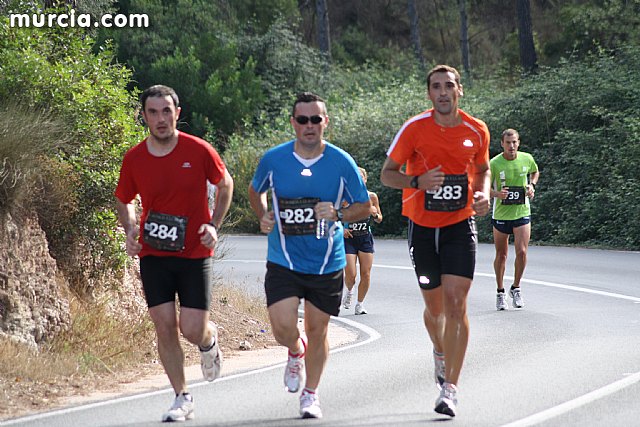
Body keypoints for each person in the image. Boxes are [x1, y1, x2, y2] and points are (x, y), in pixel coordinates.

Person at [248, 92, 371, 419]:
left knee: (318, 330)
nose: (309, 125)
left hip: (326, 261)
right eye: (302, 119)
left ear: (325, 122)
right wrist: (263, 215)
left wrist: (338, 213)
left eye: (315, 119)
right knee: (282, 328)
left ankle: (311, 394)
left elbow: (364, 206)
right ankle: (294, 350)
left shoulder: (340, 162)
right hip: (284, 259)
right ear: (293, 122)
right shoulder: (275, 159)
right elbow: (255, 189)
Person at [114, 85, 234, 422]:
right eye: (153, 112)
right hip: (154, 253)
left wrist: (214, 224)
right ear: (144, 116)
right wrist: (131, 229)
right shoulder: (135, 158)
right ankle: (182, 396)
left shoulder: (198, 150)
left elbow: (225, 184)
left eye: (166, 111)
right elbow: (124, 198)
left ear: (177, 113)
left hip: (194, 252)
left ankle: (208, 341)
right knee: (164, 326)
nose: (161, 119)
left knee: (191, 329)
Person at [380, 65, 490, 418]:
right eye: (436, 87)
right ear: (429, 93)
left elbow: (483, 169)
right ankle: (440, 351)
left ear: (460, 90)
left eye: (449, 86)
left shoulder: (476, 130)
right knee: (435, 310)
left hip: (460, 224)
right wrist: (417, 182)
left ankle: (450, 388)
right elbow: (387, 175)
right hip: (423, 227)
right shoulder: (414, 128)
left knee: (457, 303)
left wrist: (483, 193)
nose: (443, 92)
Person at [490, 128, 539, 310]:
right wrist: (497, 194)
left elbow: (535, 172)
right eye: (508, 143)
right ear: (502, 144)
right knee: (501, 255)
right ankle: (500, 292)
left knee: (522, 252)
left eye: (514, 142)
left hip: (522, 212)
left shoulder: (526, 158)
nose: (511, 146)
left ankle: (516, 288)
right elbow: (483, 186)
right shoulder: (494, 163)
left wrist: (531, 185)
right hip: (501, 215)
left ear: (519, 143)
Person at [342, 167, 383, 315]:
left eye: (361, 177)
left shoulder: (372, 197)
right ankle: (350, 290)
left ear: (365, 179)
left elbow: (379, 218)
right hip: (349, 239)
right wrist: (341, 229)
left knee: (366, 273)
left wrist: (375, 214)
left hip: (365, 237)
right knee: (351, 275)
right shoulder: (344, 197)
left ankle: (360, 305)